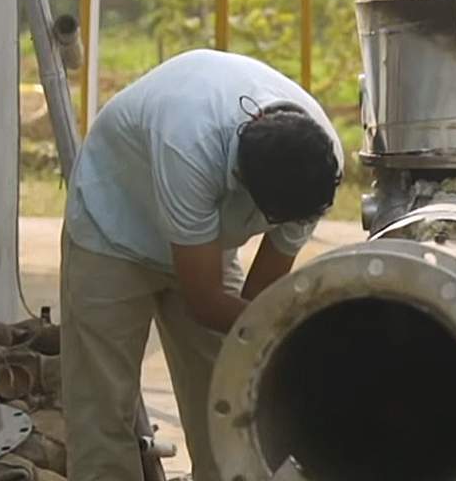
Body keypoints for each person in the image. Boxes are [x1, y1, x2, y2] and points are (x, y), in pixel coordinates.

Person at [59, 49, 344, 481]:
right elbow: (207, 303)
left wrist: (289, 336)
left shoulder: (318, 163)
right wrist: (306, 334)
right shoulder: (189, 143)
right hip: (113, 227)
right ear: (242, 183)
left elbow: (256, 308)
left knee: (224, 397)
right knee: (102, 403)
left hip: (203, 242)